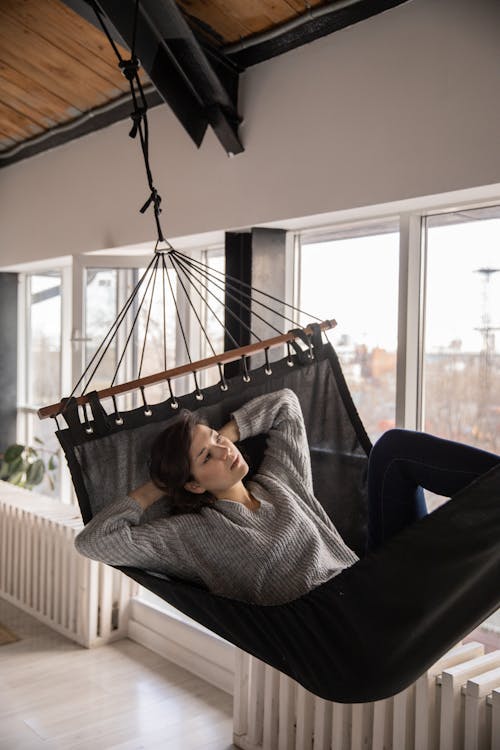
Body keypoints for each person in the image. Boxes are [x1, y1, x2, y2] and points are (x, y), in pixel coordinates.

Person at [74, 388, 500, 606]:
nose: (225, 451)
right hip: (345, 618)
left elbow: (286, 405)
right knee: (395, 455)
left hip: (374, 579)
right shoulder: (191, 535)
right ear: (194, 485)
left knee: (393, 450)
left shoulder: (280, 478)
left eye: (218, 440)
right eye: (207, 456)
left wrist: (228, 433)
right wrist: (156, 488)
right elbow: (93, 541)